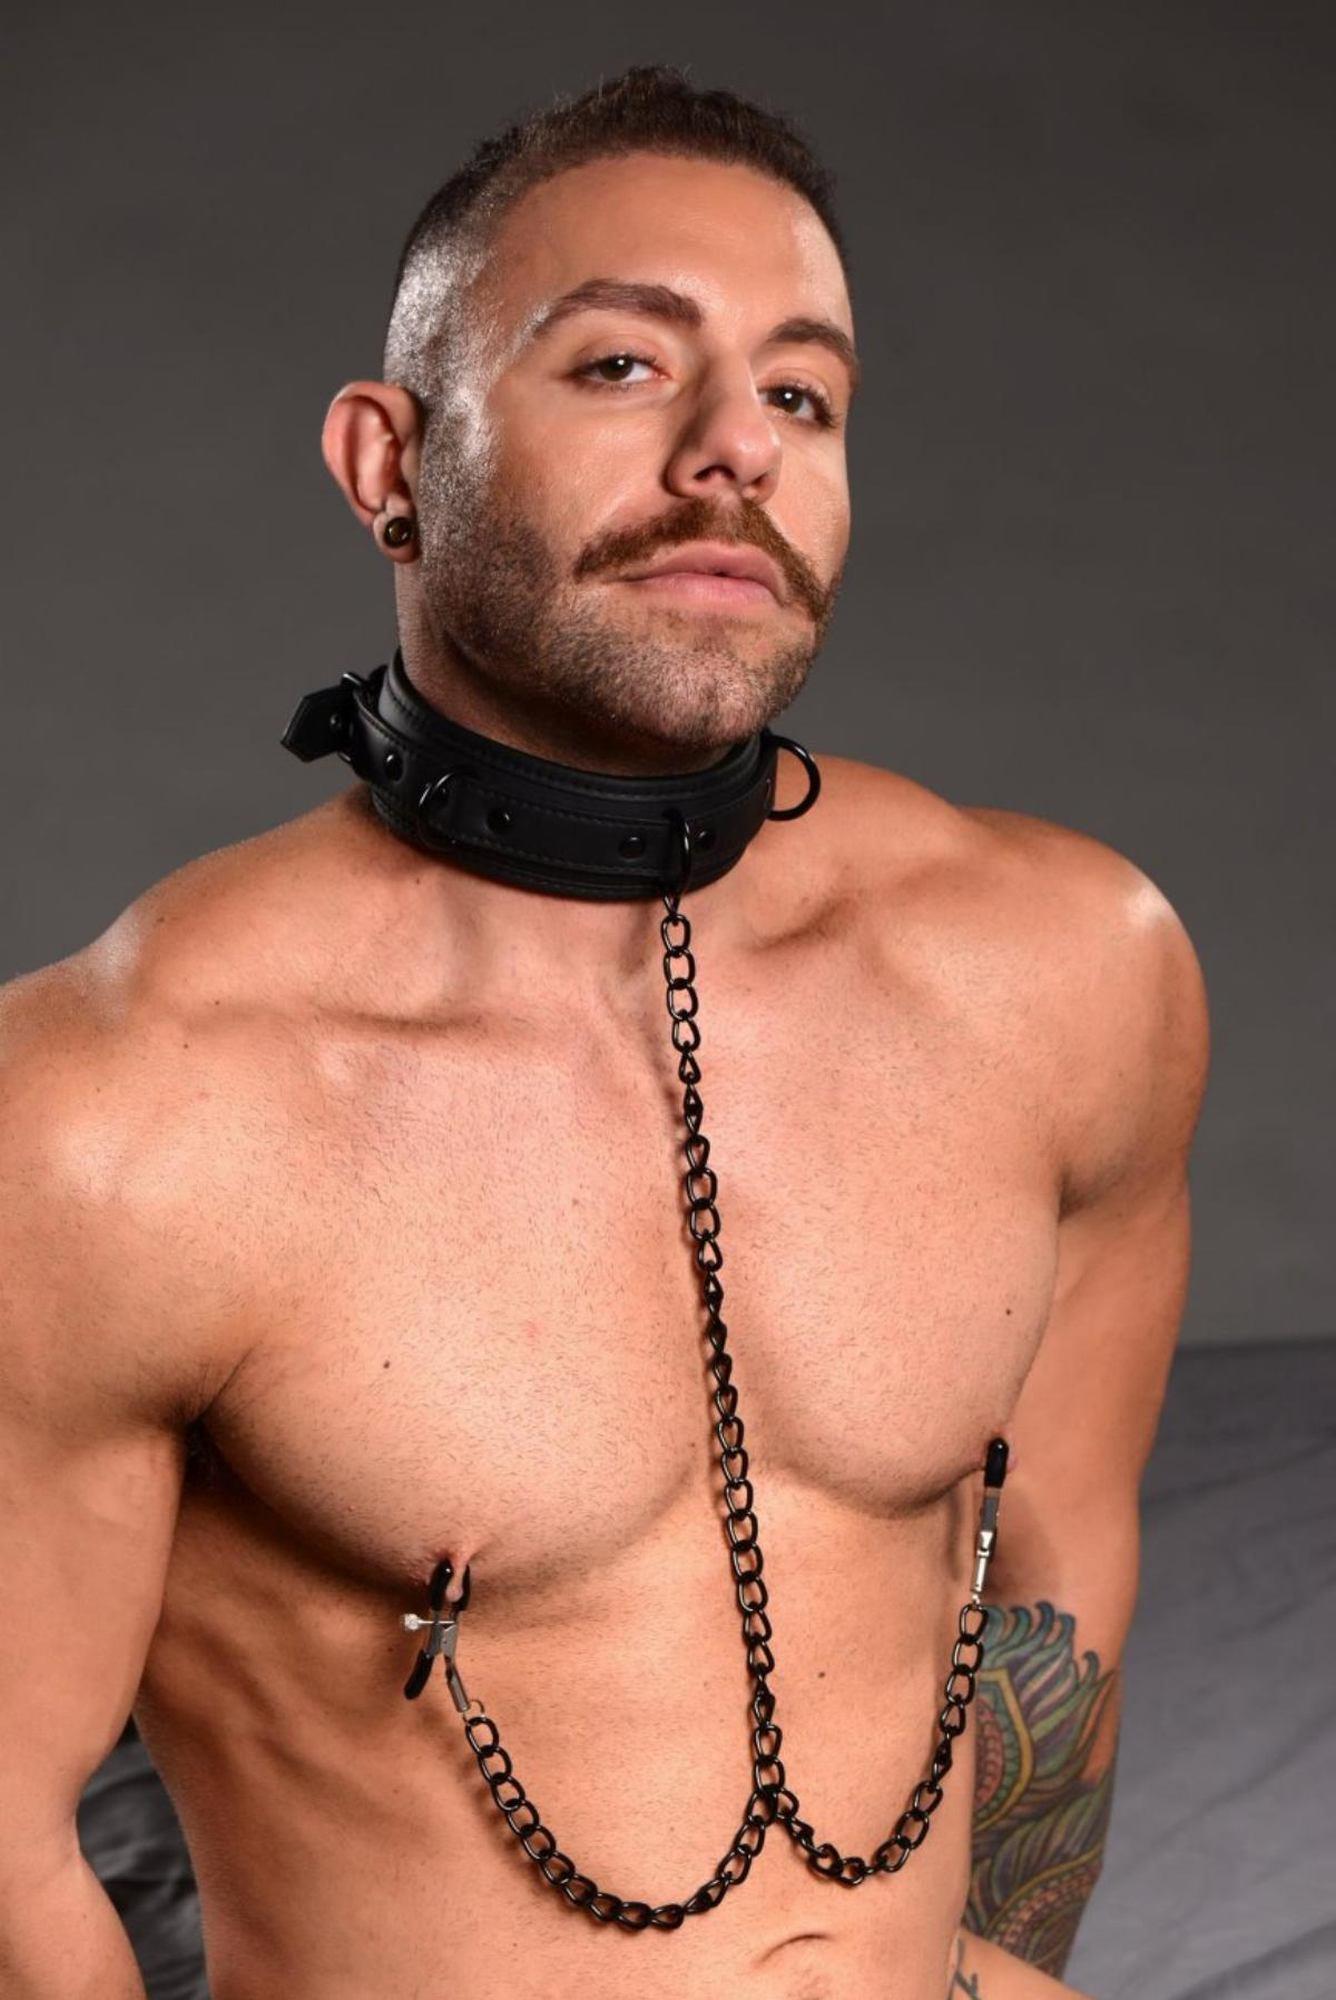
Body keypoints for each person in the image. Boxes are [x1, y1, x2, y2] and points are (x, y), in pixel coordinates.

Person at [0, 63, 1209, 2000]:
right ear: (389, 466)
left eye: (801, 395)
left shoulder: (1066, 968)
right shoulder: (109, 1110)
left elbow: (1050, 1602)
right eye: (624, 367)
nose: (735, 447)